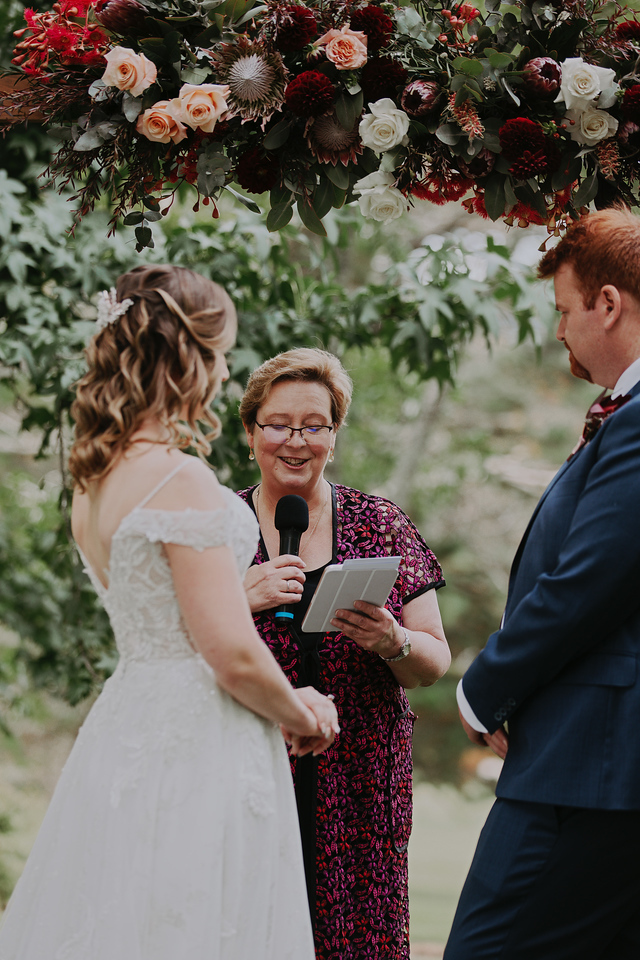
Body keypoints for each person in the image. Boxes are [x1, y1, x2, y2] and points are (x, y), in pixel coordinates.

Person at [0, 265, 339, 960]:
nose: (223, 373)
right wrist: (302, 711)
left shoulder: (95, 479)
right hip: (198, 740)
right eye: (220, 354)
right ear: (189, 356)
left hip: (128, 725)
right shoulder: (177, 477)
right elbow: (230, 654)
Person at [445, 207, 640, 960]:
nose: (559, 330)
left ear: (608, 304)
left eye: (564, 310)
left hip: (588, 767)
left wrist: (485, 689)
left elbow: (588, 580)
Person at [237, 347, 451, 960]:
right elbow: (178, 647)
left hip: (360, 785)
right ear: (251, 432)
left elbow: (434, 660)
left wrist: (393, 641)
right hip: (249, 770)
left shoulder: (379, 523)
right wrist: (238, 598)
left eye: (314, 426)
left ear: (334, 435)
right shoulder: (219, 527)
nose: (295, 441)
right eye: (279, 424)